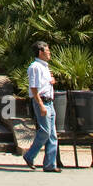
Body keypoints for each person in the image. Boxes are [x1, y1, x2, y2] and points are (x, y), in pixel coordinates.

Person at [23, 41, 60, 173]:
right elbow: (33, 88)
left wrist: (52, 81)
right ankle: (29, 155)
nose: (49, 53)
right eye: (47, 51)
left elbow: (44, 84)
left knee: (52, 134)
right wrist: (40, 105)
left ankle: (50, 164)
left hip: (49, 101)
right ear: (40, 52)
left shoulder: (45, 67)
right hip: (42, 101)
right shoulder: (35, 67)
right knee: (45, 131)